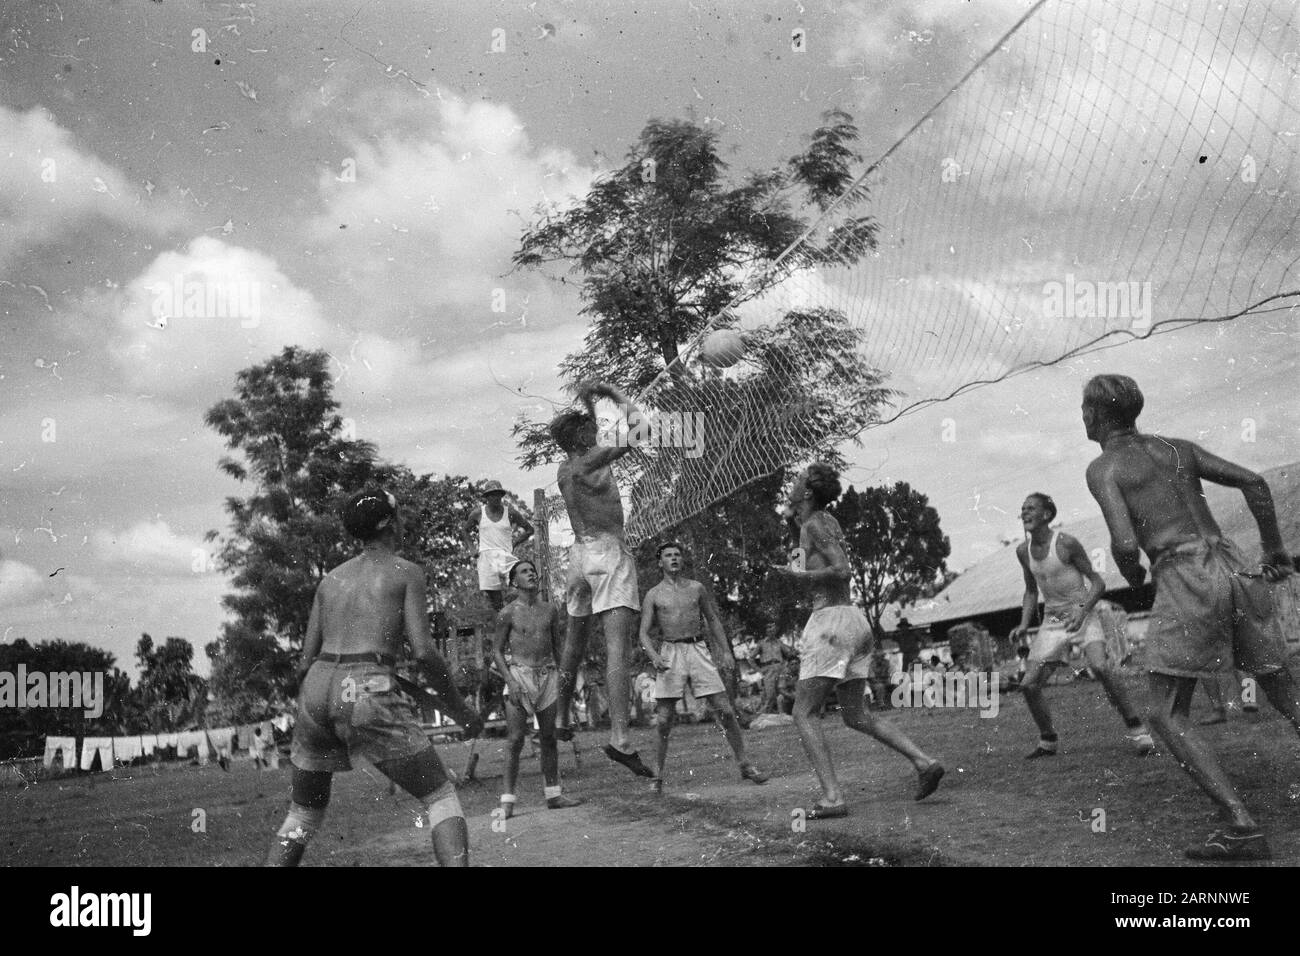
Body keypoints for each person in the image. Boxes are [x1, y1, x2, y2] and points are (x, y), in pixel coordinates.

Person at [1082, 373, 1300, 860]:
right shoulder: (1178, 448)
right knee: (1282, 689)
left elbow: (1121, 542)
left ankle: (1240, 825)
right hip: (1236, 565)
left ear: (1095, 415)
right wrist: (1275, 549)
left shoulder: (1104, 467)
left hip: (1185, 573)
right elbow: (1255, 482)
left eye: (1084, 409)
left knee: (1163, 711)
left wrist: (1134, 577)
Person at [269, 489, 483, 867]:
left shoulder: (330, 580)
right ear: (387, 523)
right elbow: (423, 652)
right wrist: (459, 708)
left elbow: (304, 662)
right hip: (366, 683)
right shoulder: (405, 572)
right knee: (439, 796)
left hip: (317, 685)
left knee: (302, 814)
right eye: (397, 516)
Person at [771, 464, 944, 818]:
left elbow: (842, 569)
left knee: (802, 712)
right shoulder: (816, 523)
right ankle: (924, 762)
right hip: (853, 621)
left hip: (830, 622)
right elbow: (803, 566)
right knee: (856, 714)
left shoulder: (816, 524)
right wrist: (791, 529)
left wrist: (798, 574)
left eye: (799, 481)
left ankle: (833, 797)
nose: (792, 484)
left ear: (807, 492)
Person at [550, 382, 654, 777]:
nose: (597, 430)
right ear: (581, 438)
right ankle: (620, 737)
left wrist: (591, 403)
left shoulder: (566, 468)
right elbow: (641, 429)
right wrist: (611, 391)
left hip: (578, 556)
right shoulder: (591, 460)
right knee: (617, 650)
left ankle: (561, 716)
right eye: (590, 429)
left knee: (574, 644)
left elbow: (592, 436)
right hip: (608, 553)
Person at [1010, 492, 1155, 759]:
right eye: (1022, 509)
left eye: (1031, 508)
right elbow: (1031, 592)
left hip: (1083, 613)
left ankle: (1138, 731)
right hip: (1053, 620)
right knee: (1029, 685)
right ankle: (1048, 741)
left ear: (1047, 514)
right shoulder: (1023, 551)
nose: (1025, 513)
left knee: (1100, 667)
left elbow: (1097, 583)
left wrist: (1081, 610)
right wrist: (1023, 624)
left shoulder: (1066, 543)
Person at [639, 542, 768, 793]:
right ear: (660, 562)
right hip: (670, 652)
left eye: (677, 555)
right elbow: (643, 634)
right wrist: (654, 655)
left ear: (682, 560)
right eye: (668, 555)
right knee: (664, 719)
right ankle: (657, 776)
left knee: (725, 710)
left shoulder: (696, 588)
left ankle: (744, 764)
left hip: (697, 649)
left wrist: (726, 652)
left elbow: (712, 620)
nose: (674, 559)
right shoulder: (653, 594)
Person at [490, 560, 583, 818]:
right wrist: (510, 680)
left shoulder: (550, 610)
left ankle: (553, 795)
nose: (531, 574)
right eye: (524, 571)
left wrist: (565, 683)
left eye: (533, 571)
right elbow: (496, 651)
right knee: (515, 739)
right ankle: (507, 802)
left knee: (549, 738)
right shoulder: (507, 613)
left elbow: (558, 648)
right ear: (514, 582)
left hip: (548, 675)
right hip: (519, 675)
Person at [463, 480, 533, 610]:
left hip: (504, 555)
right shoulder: (478, 513)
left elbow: (529, 529)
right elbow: (465, 530)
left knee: (519, 584)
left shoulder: (510, 512)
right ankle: (504, 627)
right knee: (496, 601)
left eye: (498, 494)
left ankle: (522, 617)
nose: (495, 497)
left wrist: (515, 542)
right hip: (486, 557)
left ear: (501, 496)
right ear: (487, 497)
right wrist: (472, 548)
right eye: (492, 494)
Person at [755, 628, 796, 714]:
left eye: (773, 630)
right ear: (766, 632)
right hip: (768, 668)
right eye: (769, 630)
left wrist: (791, 652)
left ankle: (782, 713)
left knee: (782, 690)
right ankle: (765, 715)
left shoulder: (779, 642)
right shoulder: (761, 643)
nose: (771, 632)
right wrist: (758, 670)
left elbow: (788, 654)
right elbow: (751, 658)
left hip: (780, 667)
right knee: (770, 695)